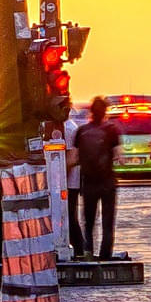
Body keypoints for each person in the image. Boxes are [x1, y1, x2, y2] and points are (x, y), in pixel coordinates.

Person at [66, 106, 122, 264]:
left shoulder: (81, 131)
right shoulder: (111, 130)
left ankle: (88, 251)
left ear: (91, 113)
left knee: (88, 222)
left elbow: (73, 158)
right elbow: (119, 156)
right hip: (107, 182)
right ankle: (105, 254)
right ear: (105, 112)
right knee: (107, 221)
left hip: (89, 183)